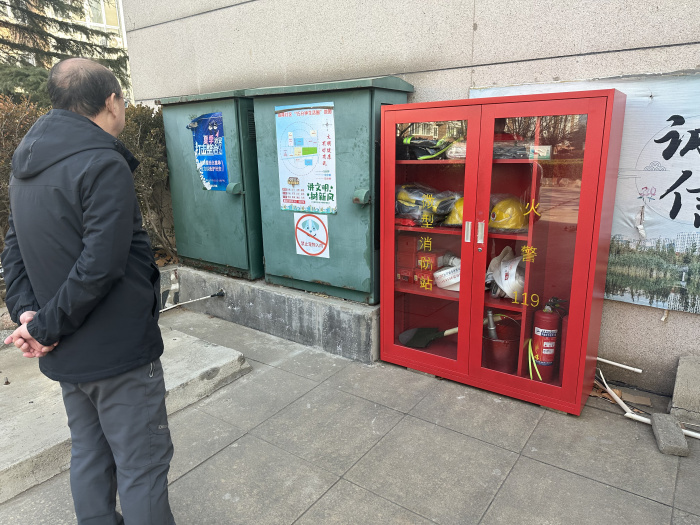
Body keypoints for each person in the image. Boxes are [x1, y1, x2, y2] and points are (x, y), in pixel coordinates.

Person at [2, 58, 175, 525]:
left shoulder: (26, 164)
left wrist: (29, 316)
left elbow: (14, 249)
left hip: (67, 353)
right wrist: (43, 326)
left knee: (89, 452)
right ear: (111, 102)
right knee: (142, 465)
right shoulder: (102, 162)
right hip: (117, 352)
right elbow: (101, 264)